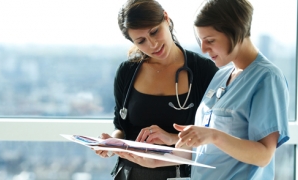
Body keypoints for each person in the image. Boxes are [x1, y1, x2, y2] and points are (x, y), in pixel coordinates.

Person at [118, 0, 290, 179]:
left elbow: (264, 156)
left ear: (236, 31)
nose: (203, 48)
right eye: (201, 40)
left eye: (210, 40)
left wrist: (215, 136)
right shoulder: (221, 76)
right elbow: (207, 151)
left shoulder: (267, 78)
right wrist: (156, 160)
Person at [93, 0, 219, 179]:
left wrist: (172, 137)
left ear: (166, 19)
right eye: (141, 41)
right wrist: (111, 143)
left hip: (181, 173)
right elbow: (121, 127)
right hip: (130, 173)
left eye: (154, 32)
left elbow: (215, 136)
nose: (152, 44)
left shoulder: (203, 71)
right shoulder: (127, 72)